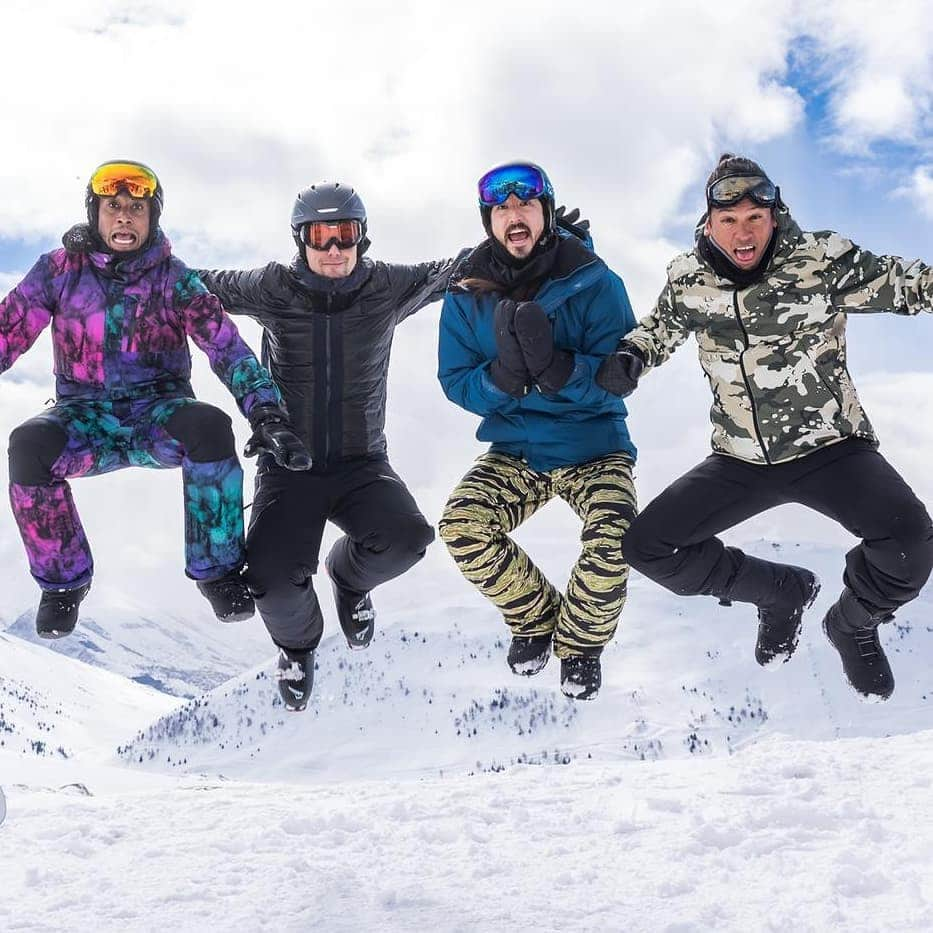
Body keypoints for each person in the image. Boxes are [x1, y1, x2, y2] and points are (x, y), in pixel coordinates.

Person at [599, 152, 933, 702]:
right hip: (739, 459)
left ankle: (852, 622)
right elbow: (659, 327)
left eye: (755, 217)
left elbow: (909, 284)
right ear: (709, 222)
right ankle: (781, 591)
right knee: (647, 548)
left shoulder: (821, 260)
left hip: (830, 448)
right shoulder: (689, 278)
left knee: (910, 544)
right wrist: (633, 355)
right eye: (728, 220)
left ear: (774, 215)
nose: (742, 231)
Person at [0, 159, 309, 638]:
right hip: (83, 416)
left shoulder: (175, 278)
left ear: (153, 218)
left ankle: (218, 571)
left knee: (209, 426)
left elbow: (225, 346)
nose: (124, 217)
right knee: (28, 445)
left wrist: (266, 411)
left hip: (158, 415)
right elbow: (8, 330)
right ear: (94, 215)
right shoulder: (58, 271)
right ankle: (63, 584)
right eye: (113, 207)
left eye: (137, 209)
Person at [196, 183, 468, 712]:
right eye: (321, 236)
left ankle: (348, 580)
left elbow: (455, 270)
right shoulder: (274, 286)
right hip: (288, 467)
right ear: (302, 240)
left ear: (362, 238)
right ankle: (298, 648)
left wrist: (542, 242)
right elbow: (192, 287)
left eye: (346, 235)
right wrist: (114, 255)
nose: (334, 249)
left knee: (408, 540)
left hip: (362, 461)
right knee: (271, 583)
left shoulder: (386, 285)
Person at [437, 161, 638, 701]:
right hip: (516, 447)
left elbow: (618, 379)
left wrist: (557, 370)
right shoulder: (465, 293)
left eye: (524, 205)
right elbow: (455, 381)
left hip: (593, 444)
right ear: (489, 222)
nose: (513, 216)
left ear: (546, 212)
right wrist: (502, 379)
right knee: (462, 526)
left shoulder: (596, 281)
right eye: (500, 209)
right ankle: (536, 619)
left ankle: (579, 646)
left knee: (616, 536)